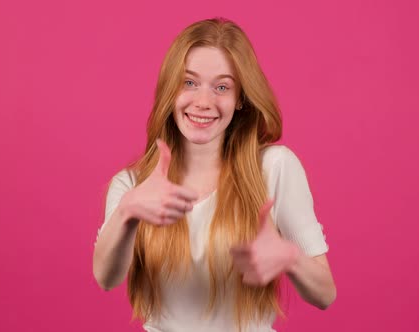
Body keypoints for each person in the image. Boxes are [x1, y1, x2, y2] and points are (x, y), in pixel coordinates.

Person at [93, 18, 336, 332]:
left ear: (239, 101)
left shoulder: (274, 168)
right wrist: (127, 211)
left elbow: (325, 294)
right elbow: (106, 278)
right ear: (171, 88)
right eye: (189, 82)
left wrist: (290, 257)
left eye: (222, 87)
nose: (203, 102)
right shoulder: (131, 185)